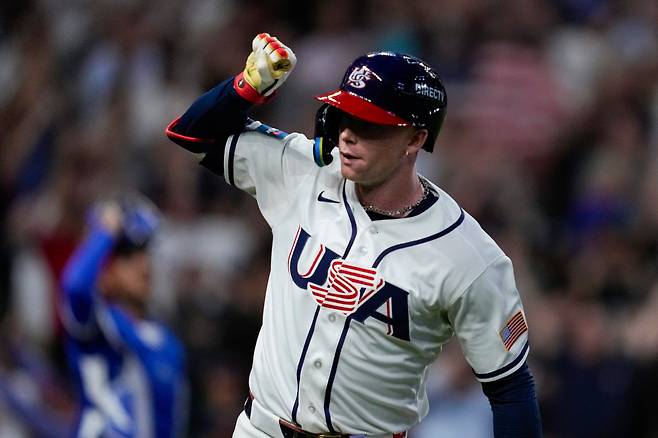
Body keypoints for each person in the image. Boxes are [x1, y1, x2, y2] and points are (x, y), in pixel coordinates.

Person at [166, 33, 541, 437]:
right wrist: (247, 86)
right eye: (344, 116)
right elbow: (190, 134)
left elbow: (511, 388)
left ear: (415, 138)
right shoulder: (303, 173)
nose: (348, 134)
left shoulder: (470, 256)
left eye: (370, 125)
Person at [60, 195, 188, 437]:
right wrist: (106, 230)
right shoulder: (98, 324)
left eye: (145, 252)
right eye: (127, 256)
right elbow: (75, 288)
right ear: (105, 270)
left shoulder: (167, 340)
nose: (143, 264)